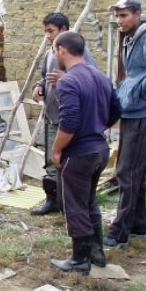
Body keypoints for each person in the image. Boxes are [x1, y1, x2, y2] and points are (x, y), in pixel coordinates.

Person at [49, 31, 121, 274]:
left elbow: (69, 121)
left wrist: (56, 149)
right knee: (89, 200)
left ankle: (79, 259)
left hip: (79, 153)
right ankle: (96, 251)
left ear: (62, 50)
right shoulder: (101, 77)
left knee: (74, 205)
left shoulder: (68, 81)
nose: (54, 54)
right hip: (99, 149)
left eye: (53, 49)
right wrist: (96, 127)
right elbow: (116, 111)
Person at [30, 13, 97, 216]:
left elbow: (91, 77)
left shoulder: (80, 52)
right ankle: (53, 200)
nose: (48, 35)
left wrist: (67, 76)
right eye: (46, 31)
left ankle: (73, 205)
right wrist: (39, 87)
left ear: (64, 30)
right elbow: (44, 77)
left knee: (70, 161)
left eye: (51, 31)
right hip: (51, 114)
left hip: (71, 118)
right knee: (52, 160)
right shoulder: (51, 53)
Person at [103, 0, 146, 249]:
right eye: (118, 16)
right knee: (135, 170)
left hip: (142, 112)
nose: (120, 21)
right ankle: (139, 224)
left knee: (126, 172)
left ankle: (118, 232)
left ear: (138, 14)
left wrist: (141, 90)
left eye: (124, 16)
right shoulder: (132, 37)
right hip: (132, 111)